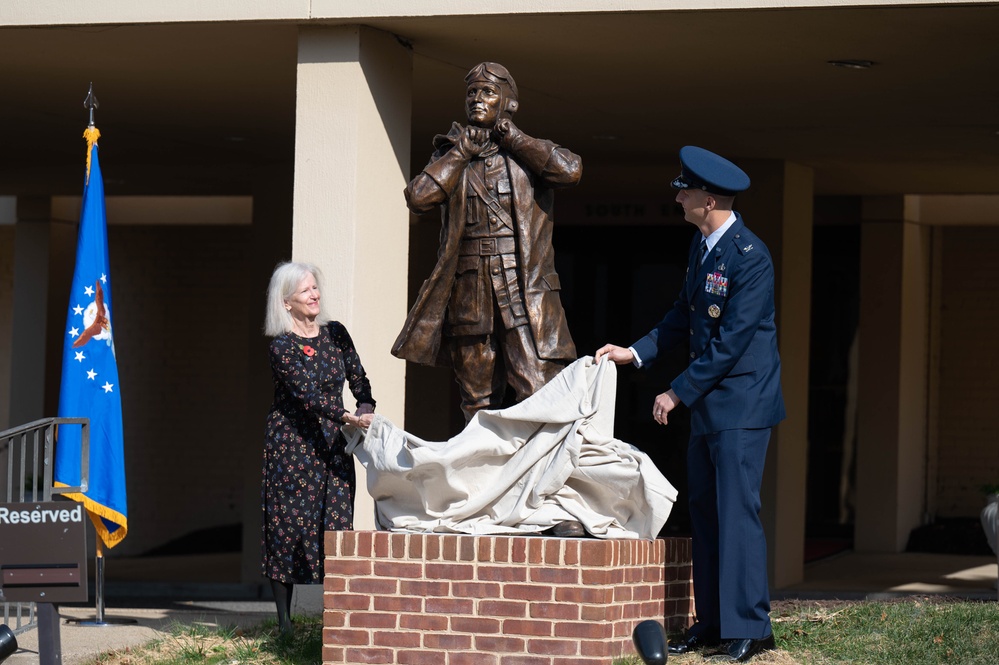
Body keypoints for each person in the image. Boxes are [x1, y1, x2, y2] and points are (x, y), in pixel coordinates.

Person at [596, 146, 785, 662]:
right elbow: (682, 316)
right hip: (710, 407)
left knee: (737, 513)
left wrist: (677, 390)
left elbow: (734, 339)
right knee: (705, 512)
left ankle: (752, 627)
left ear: (706, 199)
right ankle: (716, 621)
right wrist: (634, 353)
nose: (678, 197)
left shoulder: (751, 256)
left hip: (742, 405)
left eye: (684, 191)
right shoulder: (703, 249)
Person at [392, 62, 581, 424]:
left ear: (509, 103)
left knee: (540, 390)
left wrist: (515, 139)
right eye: (472, 92)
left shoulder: (527, 156)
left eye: (488, 92)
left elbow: (569, 170)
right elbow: (418, 198)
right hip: (470, 293)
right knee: (477, 403)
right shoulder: (451, 154)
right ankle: (483, 477)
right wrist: (459, 154)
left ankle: (540, 477)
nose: (477, 99)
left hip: (522, 291)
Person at [260, 261, 375, 636]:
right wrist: (347, 416)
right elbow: (307, 397)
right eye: (306, 290)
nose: (315, 295)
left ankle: (337, 621)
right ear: (286, 302)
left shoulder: (336, 334)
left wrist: (365, 408)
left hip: (333, 444)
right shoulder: (281, 346)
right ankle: (286, 625)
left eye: (315, 288)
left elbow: (359, 378)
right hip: (292, 447)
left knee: (337, 523)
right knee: (287, 527)